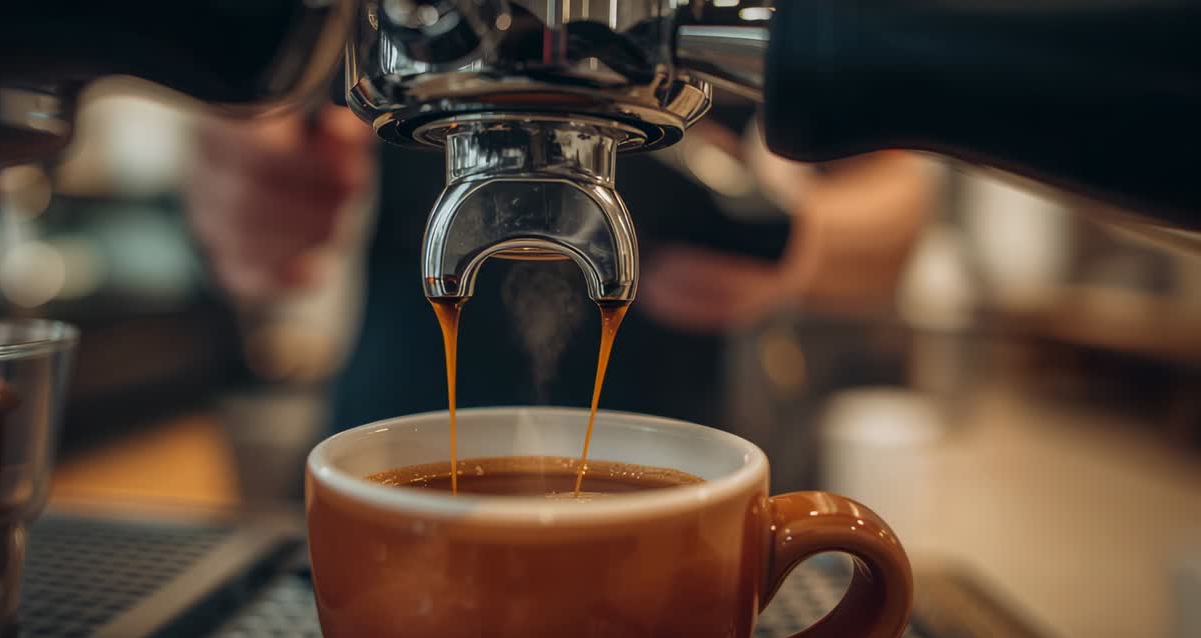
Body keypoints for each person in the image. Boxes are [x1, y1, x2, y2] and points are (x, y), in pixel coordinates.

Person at [185, 104, 935, 434]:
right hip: (392, 439)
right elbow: (256, 119)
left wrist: (792, 244)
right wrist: (246, 184)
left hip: (679, 450)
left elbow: (900, 199)